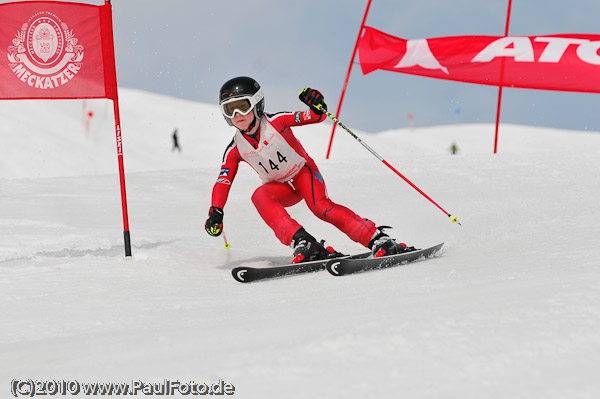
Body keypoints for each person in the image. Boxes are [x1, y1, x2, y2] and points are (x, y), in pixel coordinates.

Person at [205, 76, 412, 263]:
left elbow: (315, 116)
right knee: (260, 196)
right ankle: (303, 242)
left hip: (303, 174)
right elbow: (224, 180)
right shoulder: (236, 148)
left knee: (320, 207)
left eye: (242, 105)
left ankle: (376, 238)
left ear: (257, 103)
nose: (237, 114)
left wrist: (316, 105)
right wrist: (216, 211)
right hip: (280, 187)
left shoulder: (277, 122)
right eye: (229, 109)